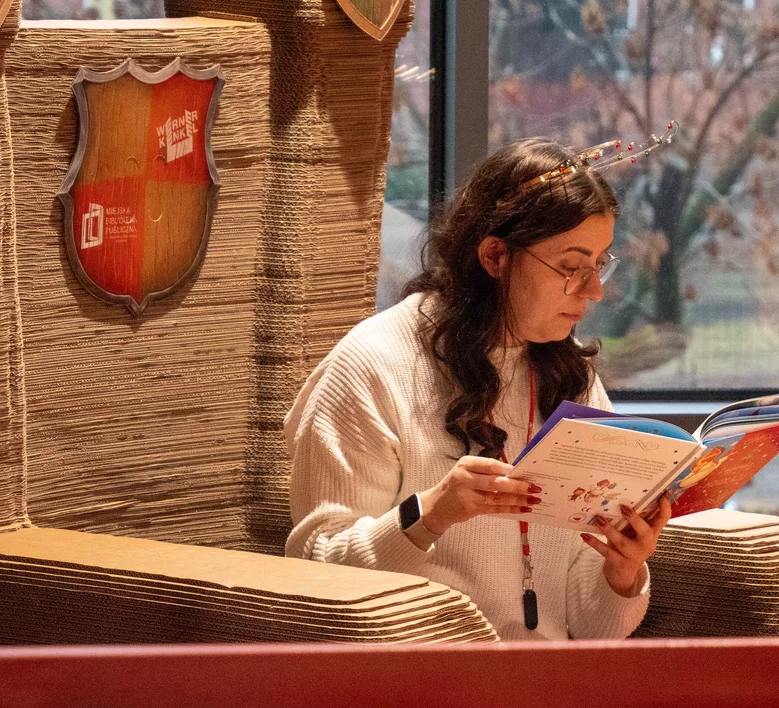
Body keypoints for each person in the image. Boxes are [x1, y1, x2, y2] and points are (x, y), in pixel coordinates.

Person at [283, 139, 672, 640]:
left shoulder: (570, 373)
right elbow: (315, 572)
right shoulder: (372, 365)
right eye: (571, 266)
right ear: (495, 256)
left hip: (546, 680)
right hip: (419, 676)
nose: (594, 290)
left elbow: (592, 632)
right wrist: (430, 514)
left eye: (600, 263)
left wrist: (621, 575)